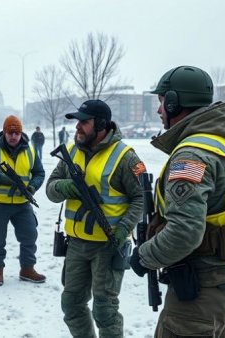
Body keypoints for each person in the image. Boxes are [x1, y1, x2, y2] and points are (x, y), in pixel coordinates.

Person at [130, 66, 225, 338]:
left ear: (174, 102)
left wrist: (143, 257)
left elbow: (185, 232)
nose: (159, 110)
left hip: (201, 290)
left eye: (162, 102)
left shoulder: (192, 157)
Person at [46, 99, 145, 338]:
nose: (78, 127)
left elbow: (141, 198)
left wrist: (124, 228)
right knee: (71, 305)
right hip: (76, 244)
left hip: (108, 246)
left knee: (105, 311)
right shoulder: (70, 152)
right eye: (77, 122)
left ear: (101, 124)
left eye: (84, 122)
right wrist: (64, 186)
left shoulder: (126, 157)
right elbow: (50, 189)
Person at [0, 115, 46, 286]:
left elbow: (39, 173)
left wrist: (32, 187)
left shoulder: (30, 150)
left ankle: (27, 269)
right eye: (10, 133)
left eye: (17, 133)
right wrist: (2, 179)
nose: (13, 136)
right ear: (4, 132)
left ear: (21, 133)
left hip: (22, 203)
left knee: (30, 235)